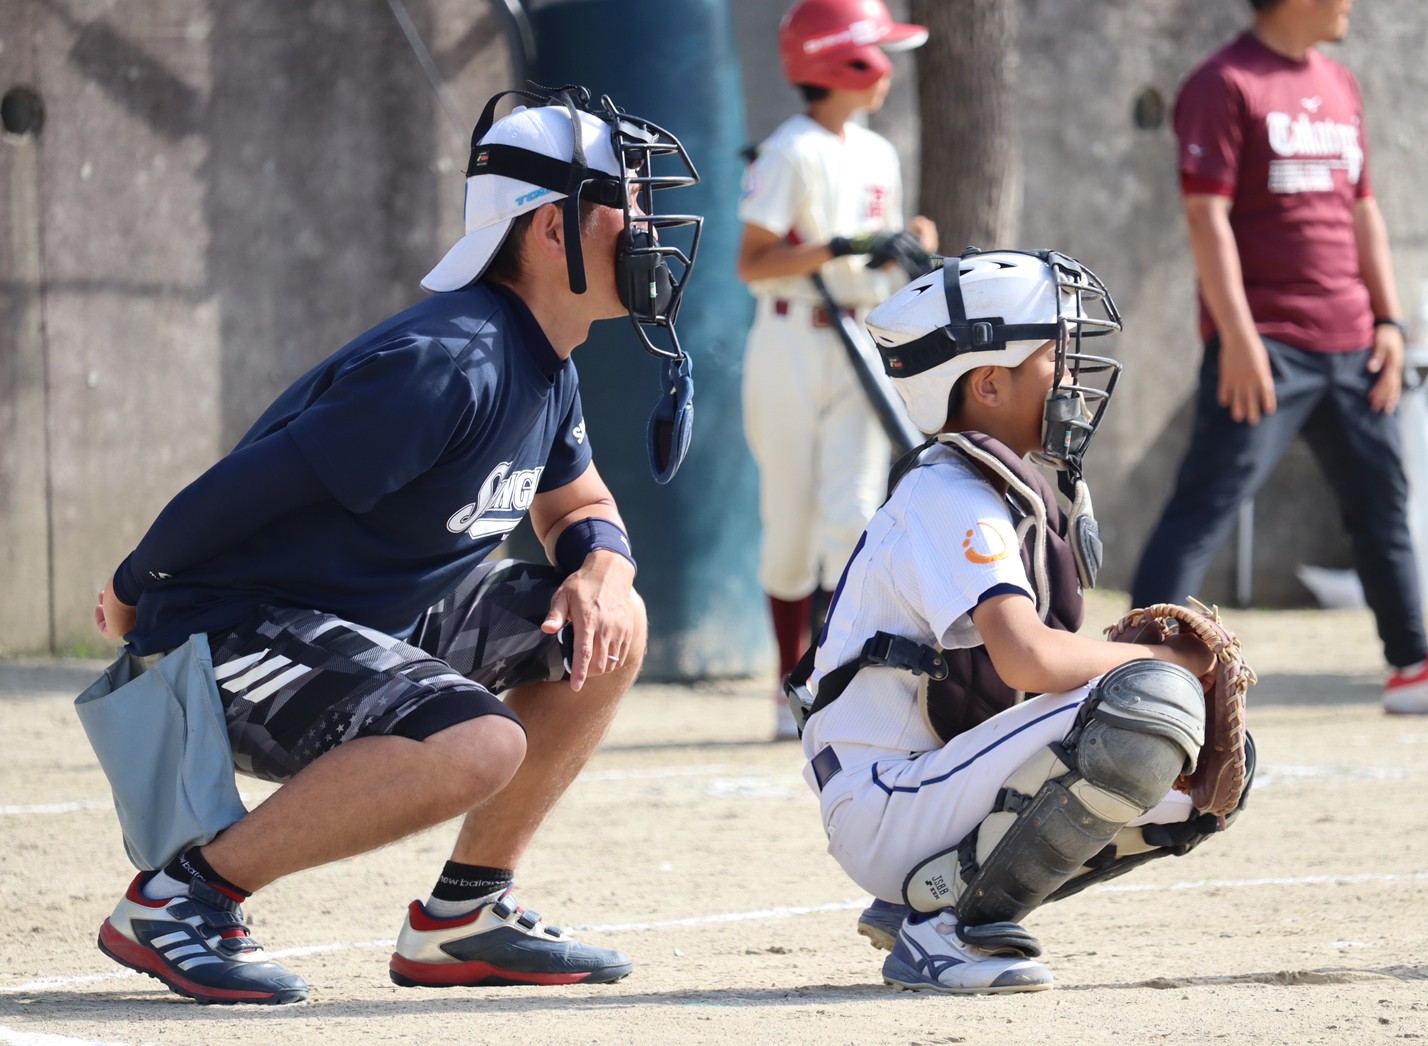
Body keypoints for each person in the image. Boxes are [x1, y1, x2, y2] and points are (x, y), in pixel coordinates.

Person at [89, 84, 704, 1004]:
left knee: (610, 625)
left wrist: (604, 569)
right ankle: (181, 900)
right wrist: (138, 588)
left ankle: (463, 918)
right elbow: (236, 490)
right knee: (478, 743)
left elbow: (578, 499)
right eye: (629, 202)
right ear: (547, 228)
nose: (649, 228)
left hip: (357, 625)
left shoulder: (542, 354)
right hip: (232, 633)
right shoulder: (451, 362)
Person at [789, 249, 1248, 994]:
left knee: (1201, 781)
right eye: (1053, 360)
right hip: (883, 799)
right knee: (1151, 707)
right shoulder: (949, 493)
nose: (1071, 379)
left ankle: (931, 898)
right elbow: (1027, 661)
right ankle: (941, 930)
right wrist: (1172, 669)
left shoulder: (995, 489)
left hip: (920, 792)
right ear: (988, 382)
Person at [1131, 0, 1428, 716]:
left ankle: (1413, 668)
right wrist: (1238, 336)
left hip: (1353, 343)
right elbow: (1205, 216)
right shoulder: (1223, 83)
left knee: (1383, 506)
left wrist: (1390, 320)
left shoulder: (1341, 84)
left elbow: (1362, 208)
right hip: (1265, 346)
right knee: (1205, 507)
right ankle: (1132, 678)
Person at [737, 0, 940, 741]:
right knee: (789, 525)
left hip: (861, 334)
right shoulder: (790, 151)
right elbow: (753, 263)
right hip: (792, 337)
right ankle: (782, 684)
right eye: (875, 54)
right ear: (841, 63)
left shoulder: (877, 151)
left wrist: (905, 242)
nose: (886, 68)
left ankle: (828, 681)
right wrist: (846, 245)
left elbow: (875, 246)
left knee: (850, 517)